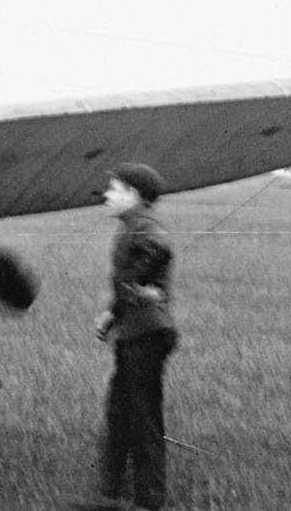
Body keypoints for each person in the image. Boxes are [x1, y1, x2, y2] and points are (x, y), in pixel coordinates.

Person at [85, 162, 178, 511]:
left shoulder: (143, 226)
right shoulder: (131, 226)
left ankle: (149, 502)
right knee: (120, 412)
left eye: (114, 188)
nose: (106, 195)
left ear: (133, 196)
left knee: (142, 419)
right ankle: (111, 495)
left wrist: (139, 282)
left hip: (147, 335)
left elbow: (160, 249)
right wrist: (114, 311)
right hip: (137, 333)